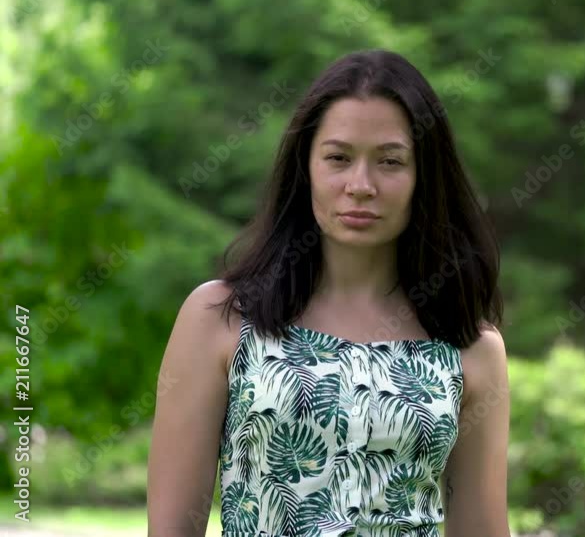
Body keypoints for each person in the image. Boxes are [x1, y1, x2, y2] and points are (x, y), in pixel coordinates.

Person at [147, 49, 510, 537]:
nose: (361, 185)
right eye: (338, 158)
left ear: (425, 176)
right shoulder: (221, 317)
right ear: (306, 167)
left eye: (390, 161)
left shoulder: (469, 346)